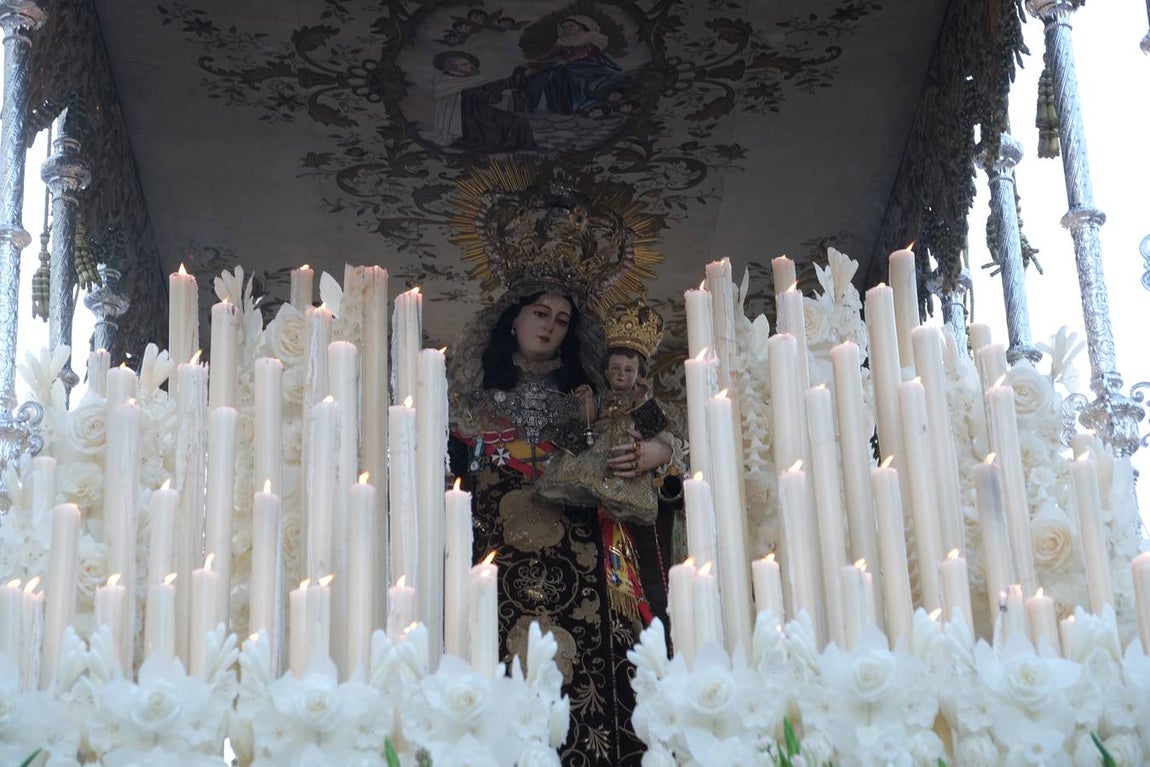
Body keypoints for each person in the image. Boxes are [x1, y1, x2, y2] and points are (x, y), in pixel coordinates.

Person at [448, 290, 672, 766]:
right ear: (514, 319)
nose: (550, 327)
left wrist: (658, 454)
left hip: (581, 555)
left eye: (563, 321)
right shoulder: (468, 404)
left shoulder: (594, 398)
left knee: (589, 678)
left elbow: (660, 433)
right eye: (540, 313)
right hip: (495, 554)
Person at [518, 15, 623, 115]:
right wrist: (536, 60)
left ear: (580, 24)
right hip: (567, 64)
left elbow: (587, 52)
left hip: (589, 64)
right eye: (565, 27)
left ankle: (572, 107)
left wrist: (567, 60)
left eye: (571, 25)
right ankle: (550, 107)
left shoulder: (593, 36)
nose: (568, 28)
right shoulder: (564, 40)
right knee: (543, 74)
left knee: (566, 74)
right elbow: (551, 54)